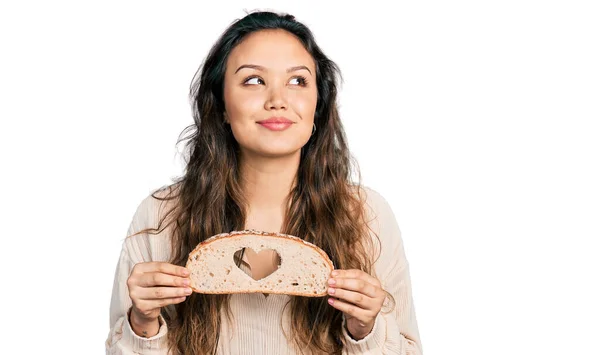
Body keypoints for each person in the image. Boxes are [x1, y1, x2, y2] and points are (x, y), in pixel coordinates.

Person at [106, 10, 422, 355]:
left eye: (298, 81)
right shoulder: (159, 215)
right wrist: (143, 323)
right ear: (222, 105)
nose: (277, 100)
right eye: (254, 80)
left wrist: (366, 330)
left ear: (318, 105)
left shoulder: (367, 215)